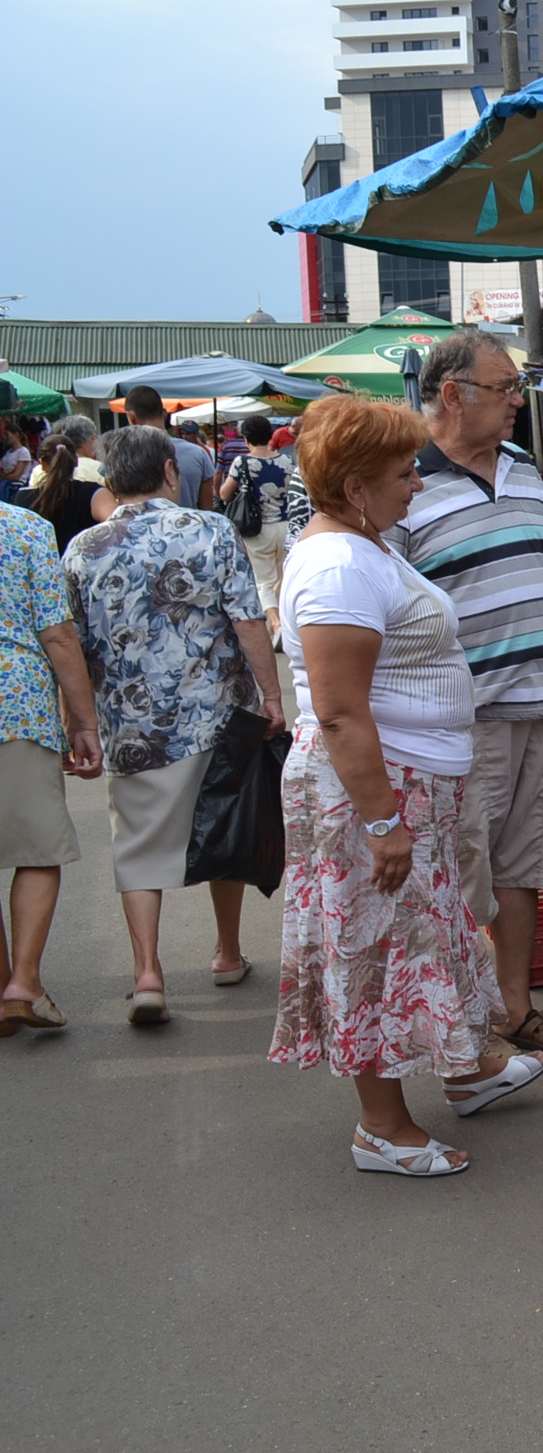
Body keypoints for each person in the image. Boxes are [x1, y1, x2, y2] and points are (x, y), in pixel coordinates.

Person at [270, 395, 543, 1176]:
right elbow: (338, 713)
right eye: (401, 473)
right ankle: (381, 1128)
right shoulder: (336, 566)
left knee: (423, 937)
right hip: (372, 789)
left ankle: (466, 1071)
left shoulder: (364, 543)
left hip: (410, 783)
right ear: (356, 487)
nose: (417, 484)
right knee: (369, 951)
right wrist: (383, 821)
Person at [387, 329, 543, 1056]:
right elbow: (390, 607)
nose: (517, 402)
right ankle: (466, 1028)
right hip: (464, 719)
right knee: (461, 873)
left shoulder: (525, 468)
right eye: (505, 388)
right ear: (453, 394)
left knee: (524, 867)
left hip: (542, 702)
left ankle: (513, 1008)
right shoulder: (404, 482)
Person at [62, 426, 285, 1023]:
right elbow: (247, 620)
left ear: (111, 480)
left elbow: (75, 649)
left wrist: (76, 724)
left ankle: (148, 974)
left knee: (136, 846)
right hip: (217, 714)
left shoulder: (84, 548)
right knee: (223, 828)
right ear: (169, 472)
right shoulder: (211, 530)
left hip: (132, 725)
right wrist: (271, 695)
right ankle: (226, 952)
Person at [0, 496, 106, 1034]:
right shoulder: (22, 529)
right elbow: (58, 634)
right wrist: (84, 722)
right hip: (14, 704)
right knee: (36, 848)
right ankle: (22, 982)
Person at [219, 419, 293, 637]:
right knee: (282, 578)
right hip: (286, 525)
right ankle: (284, 622)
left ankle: (276, 622)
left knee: (263, 581)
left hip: (257, 529)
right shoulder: (287, 461)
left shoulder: (242, 462)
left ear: (246, 438)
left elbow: (224, 494)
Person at [122, 386, 217, 512]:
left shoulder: (120, 457)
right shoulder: (198, 453)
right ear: (165, 414)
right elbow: (207, 511)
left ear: (131, 417)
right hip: (189, 529)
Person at [23, 431, 116, 551]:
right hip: (83, 564)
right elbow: (117, 522)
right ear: (76, 461)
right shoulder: (95, 493)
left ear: (42, 463)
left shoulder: (24, 497)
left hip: (42, 567)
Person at [29, 414, 104, 487]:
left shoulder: (40, 469)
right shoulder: (100, 468)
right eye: (93, 438)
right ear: (82, 442)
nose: (96, 441)